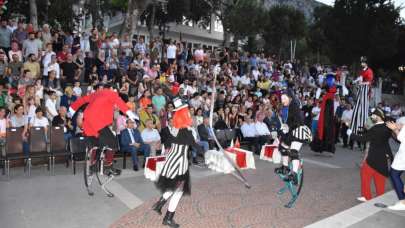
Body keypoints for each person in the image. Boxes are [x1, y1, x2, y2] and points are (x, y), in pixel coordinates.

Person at [152, 98, 202, 227]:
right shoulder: (187, 132)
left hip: (171, 161)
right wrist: (211, 153)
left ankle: (160, 204)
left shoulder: (173, 129)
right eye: (187, 113)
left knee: (174, 187)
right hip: (179, 164)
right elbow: (196, 146)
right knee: (178, 191)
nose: (189, 115)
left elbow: (167, 143)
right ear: (184, 115)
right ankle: (167, 217)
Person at [69, 84, 138, 176]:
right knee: (113, 143)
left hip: (88, 122)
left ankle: (92, 167)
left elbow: (83, 100)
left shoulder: (97, 94)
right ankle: (107, 167)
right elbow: (119, 102)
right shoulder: (111, 93)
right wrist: (129, 113)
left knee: (96, 143)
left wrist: (72, 109)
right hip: (97, 121)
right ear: (111, 89)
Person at [347, 108, 393, 202]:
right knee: (380, 178)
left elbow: (363, 139)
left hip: (373, 157)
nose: (372, 116)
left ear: (379, 116)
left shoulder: (375, 129)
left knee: (365, 173)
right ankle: (381, 198)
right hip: (383, 157)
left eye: (373, 115)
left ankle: (366, 196)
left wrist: (351, 134)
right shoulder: (387, 127)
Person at [275, 90, 312, 185]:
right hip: (292, 131)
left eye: (284, 98)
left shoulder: (294, 106)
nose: (282, 100)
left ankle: (294, 175)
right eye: (281, 99)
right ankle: (285, 168)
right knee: (282, 147)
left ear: (290, 97)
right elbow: (288, 121)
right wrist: (284, 129)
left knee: (293, 152)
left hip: (299, 131)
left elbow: (297, 121)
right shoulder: (287, 107)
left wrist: (286, 128)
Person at [350, 56, 373, 136]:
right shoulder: (362, 71)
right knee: (357, 109)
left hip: (365, 90)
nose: (361, 63)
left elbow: (369, 82)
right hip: (361, 90)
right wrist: (354, 81)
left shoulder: (369, 71)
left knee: (363, 110)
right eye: (361, 62)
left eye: (363, 62)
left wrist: (361, 83)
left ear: (366, 63)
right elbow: (360, 78)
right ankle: (355, 129)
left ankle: (364, 129)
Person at [386, 117, 405, 210]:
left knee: (394, 174)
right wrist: (395, 129)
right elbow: (401, 137)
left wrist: (394, 128)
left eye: (398, 124)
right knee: (394, 174)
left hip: (403, 157)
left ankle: (403, 201)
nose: (396, 125)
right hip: (402, 157)